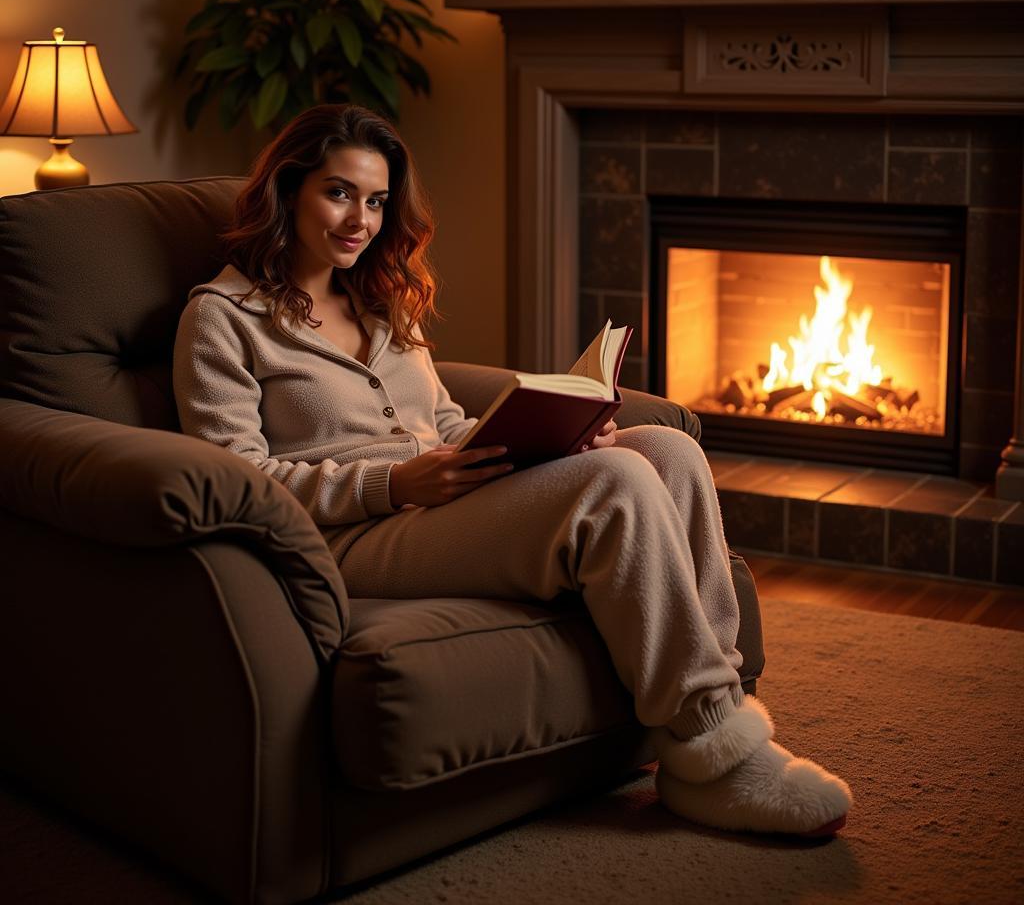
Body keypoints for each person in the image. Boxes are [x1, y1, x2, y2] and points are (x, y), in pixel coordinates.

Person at [172, 103, 852, 838]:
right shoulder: (221, 318)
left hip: (439, 498)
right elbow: (236, 479)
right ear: (289, 191)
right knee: (617, 488)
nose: (359, 220)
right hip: (350, 536)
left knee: (663, 449)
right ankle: (713, 753)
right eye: (338, 193)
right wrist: (393, 484)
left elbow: (442, 428)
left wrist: (558, 439)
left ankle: (714, 729)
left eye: (375, 201)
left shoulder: (378, 301)